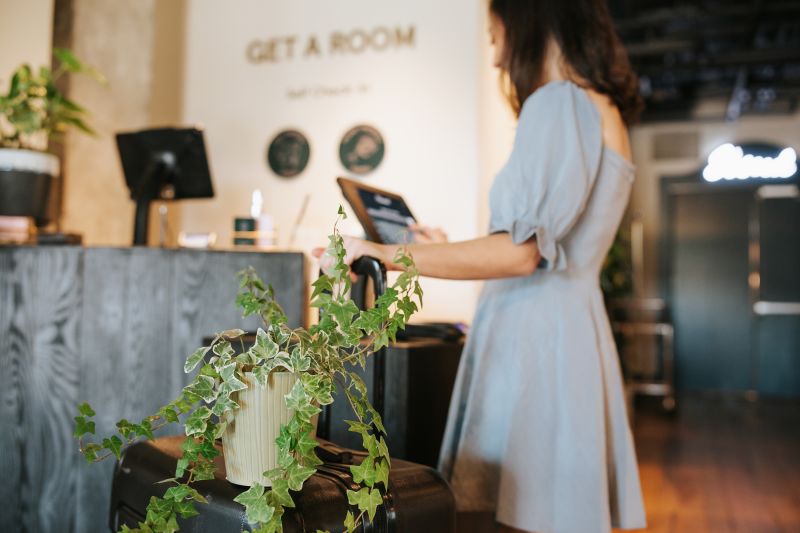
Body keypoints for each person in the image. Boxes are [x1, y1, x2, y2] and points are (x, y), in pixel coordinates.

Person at [315, 0, 646, 531]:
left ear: (526, 23)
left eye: (494, 37)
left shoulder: (558, 103)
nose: (494, 58)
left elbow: (521, 254)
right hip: (569, 334)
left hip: (535, 342)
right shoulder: (596, 106)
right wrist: (444, 245)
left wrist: (384, 254)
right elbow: (537, 246)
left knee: (516, 513)